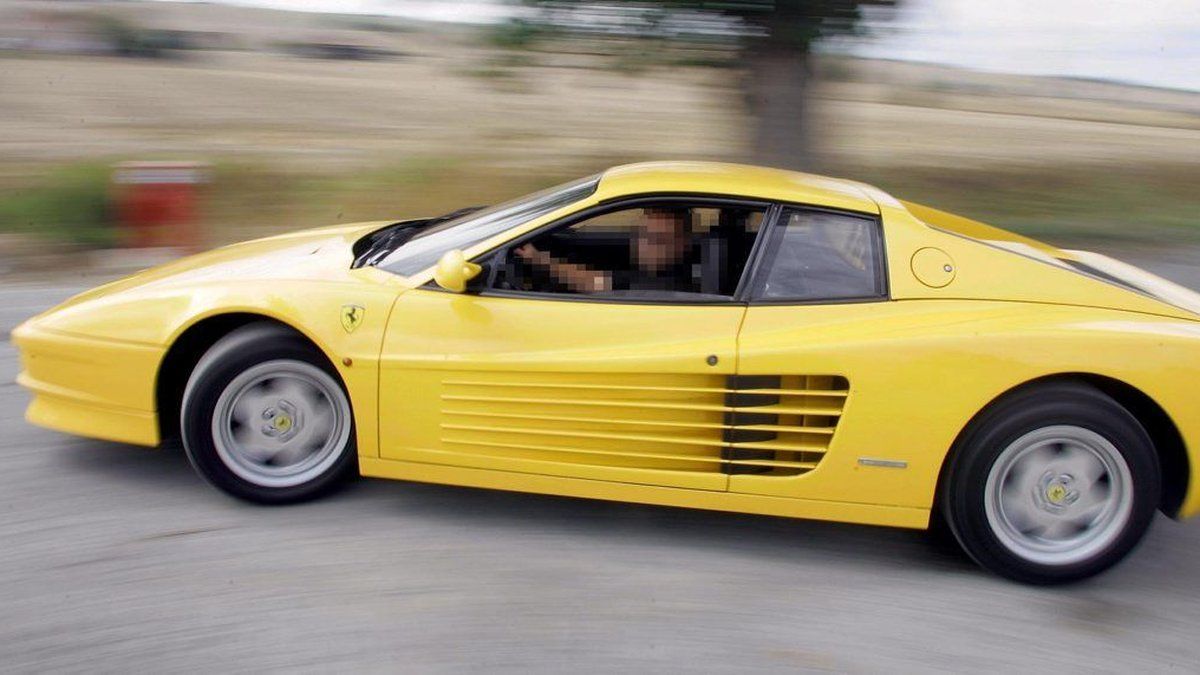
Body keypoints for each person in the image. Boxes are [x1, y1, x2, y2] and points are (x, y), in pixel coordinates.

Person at [513, 207, 699, 294]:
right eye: (642, 235)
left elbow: (593, 282)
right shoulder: (652, 268)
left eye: (657, 240)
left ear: (683, 244)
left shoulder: (668, 284)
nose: (644, 246)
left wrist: (537, 259)